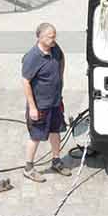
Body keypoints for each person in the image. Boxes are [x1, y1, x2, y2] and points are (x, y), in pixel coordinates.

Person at [21, 23, 67, 181]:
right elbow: (26, 82)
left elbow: (61, 59)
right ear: (39, 37)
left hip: (55, 102)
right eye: (50, 37)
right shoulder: (32, 57)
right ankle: (28, 168)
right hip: (40, 105)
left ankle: (56, 160)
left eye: (54, 36)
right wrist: (32, 108)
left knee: (56, 131)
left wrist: (60, 80)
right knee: (36, 136)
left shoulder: (55, 48)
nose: (53, 39)